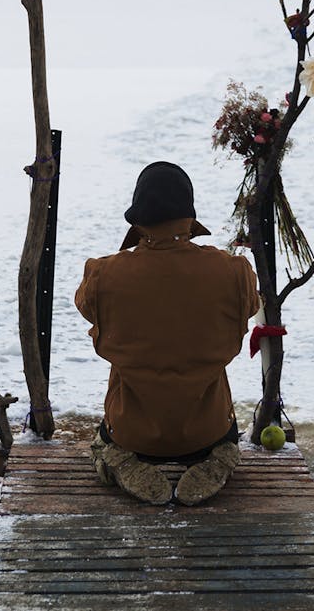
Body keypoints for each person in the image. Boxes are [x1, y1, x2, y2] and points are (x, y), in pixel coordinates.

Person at [74, 161, 261, 505]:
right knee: (222, 437)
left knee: (104, 440)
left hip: (132, 434)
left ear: (137, 218)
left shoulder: (104, 275)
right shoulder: (232, 272)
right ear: (189, 215)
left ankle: (117, 458)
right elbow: (250, 304)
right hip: (209, 431)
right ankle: (221, 457)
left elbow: (86, 305)